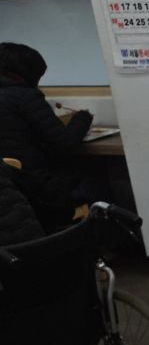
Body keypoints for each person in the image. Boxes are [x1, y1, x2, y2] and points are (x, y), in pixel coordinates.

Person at [0, 42, 93, 229]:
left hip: (8, 191)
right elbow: (65, 143)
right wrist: (83, 117)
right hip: (36, 188)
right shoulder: (24, 96)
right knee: (97, 180)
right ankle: (104, 240)